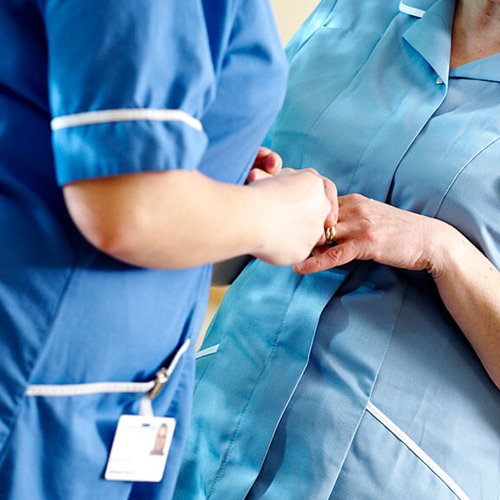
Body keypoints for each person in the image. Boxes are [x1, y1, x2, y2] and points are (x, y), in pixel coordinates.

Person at [0, 1, 337, 499]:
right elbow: (130, 205)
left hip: (102, 385)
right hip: (38, 383)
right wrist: (276, 218)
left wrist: (212, 185)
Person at [173, 0, 500, 498]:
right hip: (205, 446)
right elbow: (226, 255)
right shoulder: (349, 13)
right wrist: (237, 200)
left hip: (381, 480)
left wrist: (442, 249)